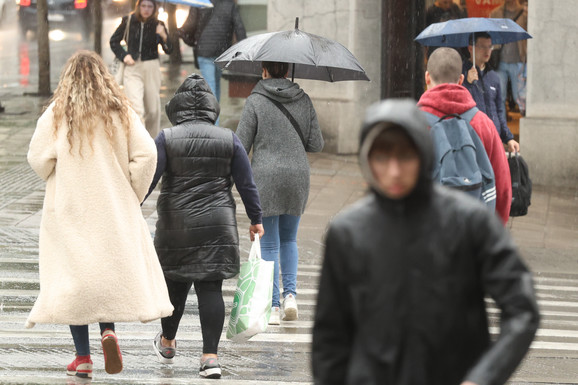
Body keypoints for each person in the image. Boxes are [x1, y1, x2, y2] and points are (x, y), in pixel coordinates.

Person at [312, 98, 540, 385]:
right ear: (368, 160)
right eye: (382, 157)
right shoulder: (348, 232)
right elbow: (329, 339)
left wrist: (483, 377)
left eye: (405, 156)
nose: (394, 171)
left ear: (423, 154)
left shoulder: (468, 222)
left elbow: (522, 307)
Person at [25, 50, 174, 379]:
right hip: (111, 207)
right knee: (104, 273)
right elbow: (148, 153)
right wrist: (131, 192)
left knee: (76, 279)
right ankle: (108, 331)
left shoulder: (58, 113)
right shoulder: (120, 111)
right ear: (104, 76)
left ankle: (83, 358)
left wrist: (56, 168)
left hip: (70, 208)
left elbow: (37, 158)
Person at [147, 73, 264, 379]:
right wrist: (256, 219)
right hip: (217, 224)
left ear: (178, 106)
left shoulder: (167, 138)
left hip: (177, 224)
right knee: (210, 287)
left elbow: (150, 178)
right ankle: (209, 358)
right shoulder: (229, 139)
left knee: (174, 284)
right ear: (212, 108)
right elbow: (246, 183)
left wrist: (128, 206)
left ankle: (168, 342)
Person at [236, 61, 324, 325]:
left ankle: (273, 306)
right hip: (298, 176)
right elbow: (316, 143)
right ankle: (291, 297)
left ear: (264, 71)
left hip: (266, 176)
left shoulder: (255, 100)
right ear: (287, 71)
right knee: (289, 239)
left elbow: (240, 143)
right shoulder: (303, 98)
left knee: (270, 242)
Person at [418, 47, 512, 224]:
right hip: (472, 234)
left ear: (427, 77)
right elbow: (503, 187)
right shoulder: (483, 123)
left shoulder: (413, 124)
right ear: (461, 79)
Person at [110, 0, 172, 139]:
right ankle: (140, 142)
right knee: (137, 109)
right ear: (138, 6)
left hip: (151, 68)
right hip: (132, 68)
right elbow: (113, 41)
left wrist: (163, 35)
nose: (146, 9)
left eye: (150, 6)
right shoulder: (128, 21)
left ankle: (152, 142)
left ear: (154, 8)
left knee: (153, 110)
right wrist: (124, 55)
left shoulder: (158, 24)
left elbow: (169, 50)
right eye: (143, 6)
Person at [178, 0, 246, 103]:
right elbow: (239, 27)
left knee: (210, 87)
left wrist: (190, 40)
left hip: (204, 50)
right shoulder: (229, 4)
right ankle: (215, 115)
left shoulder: (200, 3)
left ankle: (213, 117)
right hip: (222, 52)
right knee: (215, 84)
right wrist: (244, 49)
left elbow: (190, 25)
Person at [463, 32, 521, 153]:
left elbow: (499, 111)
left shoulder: (494, 76)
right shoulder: (461, 73)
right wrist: (467, 84)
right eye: (482, 46)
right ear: (470, 48)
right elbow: (459, 105)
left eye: (490, 46)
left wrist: (508, 137)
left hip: (494, 138)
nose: (487, 51)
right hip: (472, 139)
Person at [490, 0, 525, 120]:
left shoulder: (525, 14)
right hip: (500, 61)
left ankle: (527, 128)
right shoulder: (496, 13)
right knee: (500, 96)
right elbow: (490, 36)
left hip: (518, 60)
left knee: (520, 97)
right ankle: (501, 131)